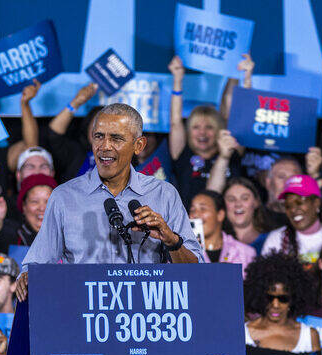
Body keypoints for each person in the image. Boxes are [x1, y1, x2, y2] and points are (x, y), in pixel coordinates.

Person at [16, 103, 202, 299]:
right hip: (82, 317)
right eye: (99, 136)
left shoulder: (164, 194)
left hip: (145, 319)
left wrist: (170, 239)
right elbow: (36, 266)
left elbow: (197, 273)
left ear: (138, 145)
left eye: (116, 138)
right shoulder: (64, 197)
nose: (104, 146)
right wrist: (28, 277)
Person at [167, 57, 241, 205]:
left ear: (220, 130)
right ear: (188, 131)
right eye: (196, 127)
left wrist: (235, 72)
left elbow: (229, 109)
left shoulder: (231, 149)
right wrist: (177, 80)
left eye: (209, 127)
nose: (202, 133)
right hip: (190, 224)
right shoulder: (182, 152)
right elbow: (175, 121)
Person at [260, 175, 322, 264]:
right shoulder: (276, 239)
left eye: (299, 203)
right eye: (288, 206)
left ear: (316, 203)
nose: (293, 210)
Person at [190, 189, 255, 275]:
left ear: (220, 215)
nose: (195, 215)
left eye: (203, 209)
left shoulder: (245, 253)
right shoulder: (184, 252)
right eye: (192, 210)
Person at [223, 177, 272, 250]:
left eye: (245, 198)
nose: (238, 204)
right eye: (231, 199)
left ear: (256, 202)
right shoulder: (219, 244)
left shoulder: (271, 239)